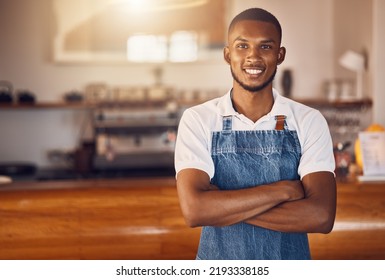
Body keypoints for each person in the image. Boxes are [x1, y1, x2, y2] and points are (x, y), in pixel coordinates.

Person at [174, 7, 336, 260]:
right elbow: (195, 211)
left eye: (265, 47)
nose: (253, 57)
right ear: (227, 55)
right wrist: (283, 192)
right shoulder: (199, 119)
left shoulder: (308, 120)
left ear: (280, 55)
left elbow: (321, 216)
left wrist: (221, 207)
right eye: (242, 46)